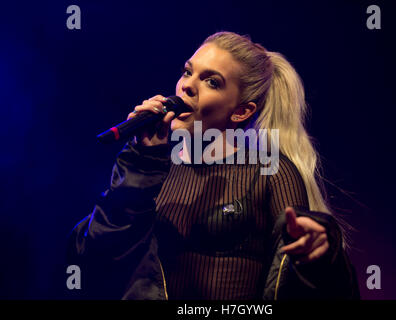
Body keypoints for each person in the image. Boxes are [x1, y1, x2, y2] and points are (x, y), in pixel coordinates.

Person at [67, 31, 360, 300]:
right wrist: (141, 161)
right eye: (188, 72)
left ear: (241, 111)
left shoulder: (268, 171)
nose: (187, 87)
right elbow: (96, 254)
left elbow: (295, 283)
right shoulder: (152, 168)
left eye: (211, 81)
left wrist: (320, 254)